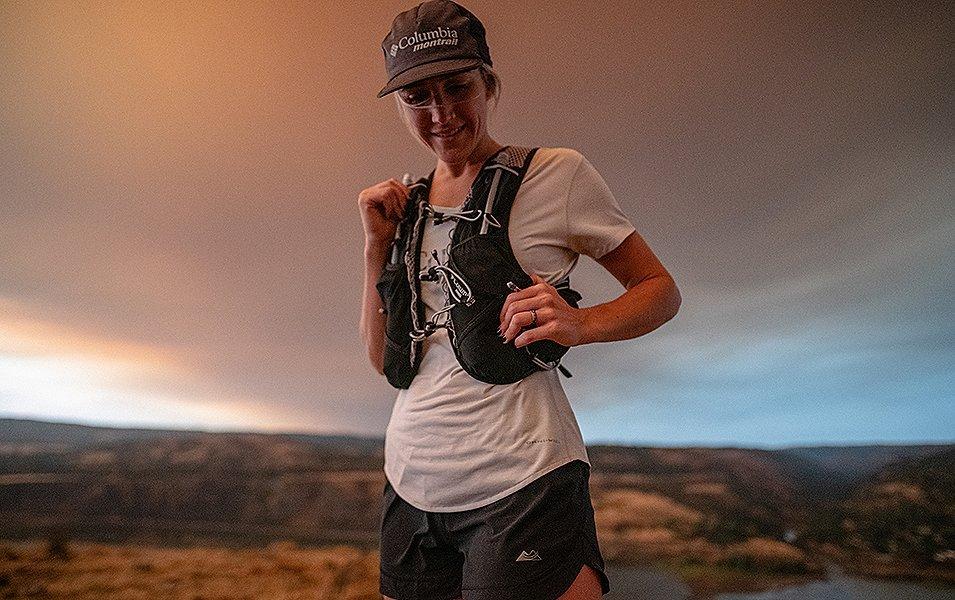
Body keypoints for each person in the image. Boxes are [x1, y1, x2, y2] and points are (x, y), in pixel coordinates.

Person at [358, 2, 681, 599]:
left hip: (522, 484)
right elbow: (385, 361)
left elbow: (660, 292)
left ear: (489, 83)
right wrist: (376, 249)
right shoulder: (403, 203)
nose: (440, 112)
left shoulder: (556, 175)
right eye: (417, 97)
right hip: (411, 488)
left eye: (458, 86)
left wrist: (579, 323)